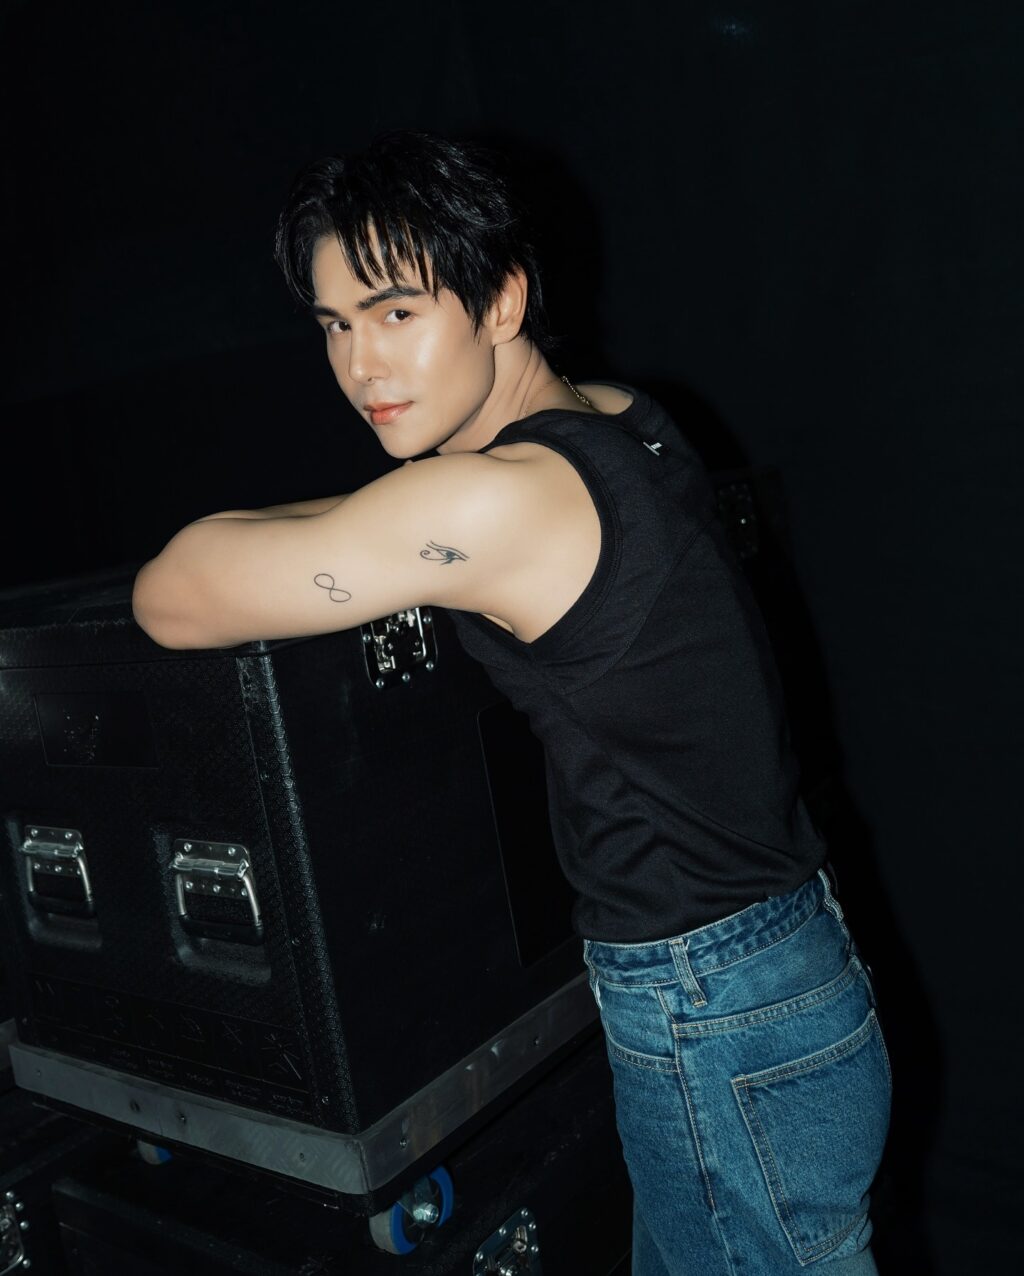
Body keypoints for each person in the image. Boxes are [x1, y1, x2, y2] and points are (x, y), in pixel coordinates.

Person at [132, 130, 892, 1275]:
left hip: (712, 1010)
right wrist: (383, 516)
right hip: (783, 968)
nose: (360, 365)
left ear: (502, 300)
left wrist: (377, 520)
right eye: (334, 324)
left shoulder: (502, 505)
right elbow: (416, 511)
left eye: (396, 312)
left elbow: (172, 593)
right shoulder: (622, 415)